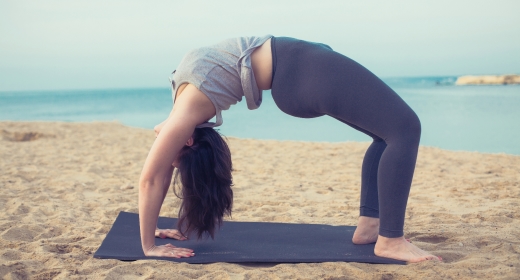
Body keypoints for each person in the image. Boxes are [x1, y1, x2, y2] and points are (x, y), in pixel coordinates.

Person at [139, 35, 441, 263]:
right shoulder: (185, 115)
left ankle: (371, 226)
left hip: (299, 72)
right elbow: (152, 179)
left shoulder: (181, 113)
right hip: (302, 70)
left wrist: (152, 230)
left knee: (384, 134)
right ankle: (390, 240)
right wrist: (149, 247)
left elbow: (158, 159)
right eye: (176, 159)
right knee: (405, 128)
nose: (171, 163)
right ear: (188, 140)